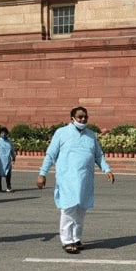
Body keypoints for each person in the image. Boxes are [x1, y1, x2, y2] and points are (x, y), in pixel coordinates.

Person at [37, 106, 115, 254]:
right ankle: (67, 241)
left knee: (81, 210)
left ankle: (76, 238)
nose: (83, 119)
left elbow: (99, 155)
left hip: (85, 179)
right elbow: (51, 155)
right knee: (68, 209)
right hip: (67, 179)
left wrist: (107, 169)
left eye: (85, 117)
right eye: (80, 117)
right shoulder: (61, 133)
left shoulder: (91, 135)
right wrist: (42, 174)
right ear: (72, 118)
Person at [0, 127, 16, 192]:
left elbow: (12, 150)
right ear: (0, 133)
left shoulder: (9, 142)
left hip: (7, 160)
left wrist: (13, 158)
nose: (3, 134)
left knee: (8, 174)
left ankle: (8, 187)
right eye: (2, 133)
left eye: (5, 133)